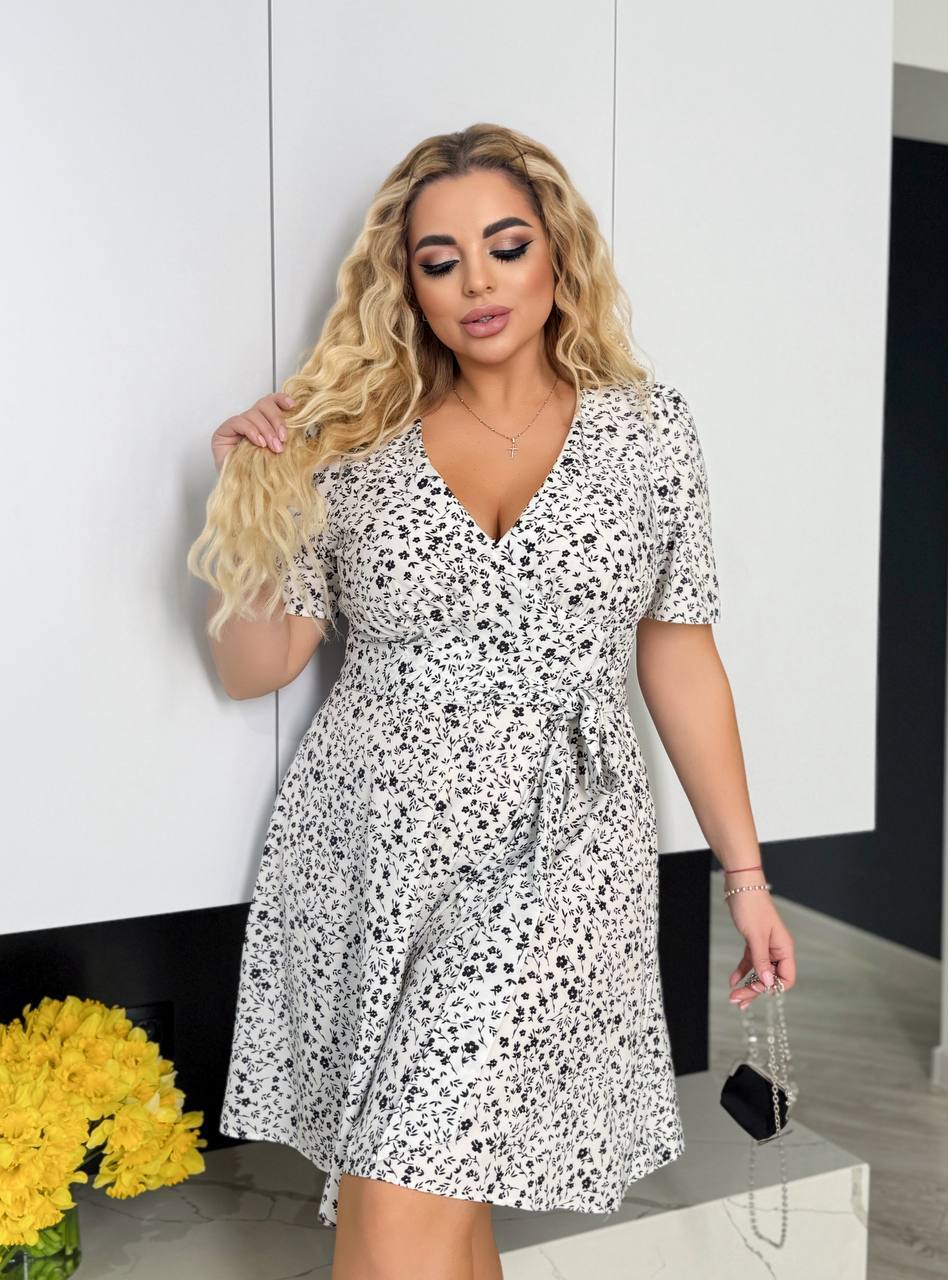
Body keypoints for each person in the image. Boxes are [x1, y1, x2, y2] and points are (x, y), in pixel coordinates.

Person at [188, 122, 797, 1280]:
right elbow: (255, 665)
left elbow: (679, 654)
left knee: (397, 1194)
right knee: (433, 1195)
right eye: (441, 260)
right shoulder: (346, 440)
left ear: (557, 251)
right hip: (373, 844)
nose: (476, 282)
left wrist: (747, 876)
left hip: (565, 840)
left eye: (505, 246)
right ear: (407, 285)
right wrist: (249, 492)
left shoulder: (648, 430)